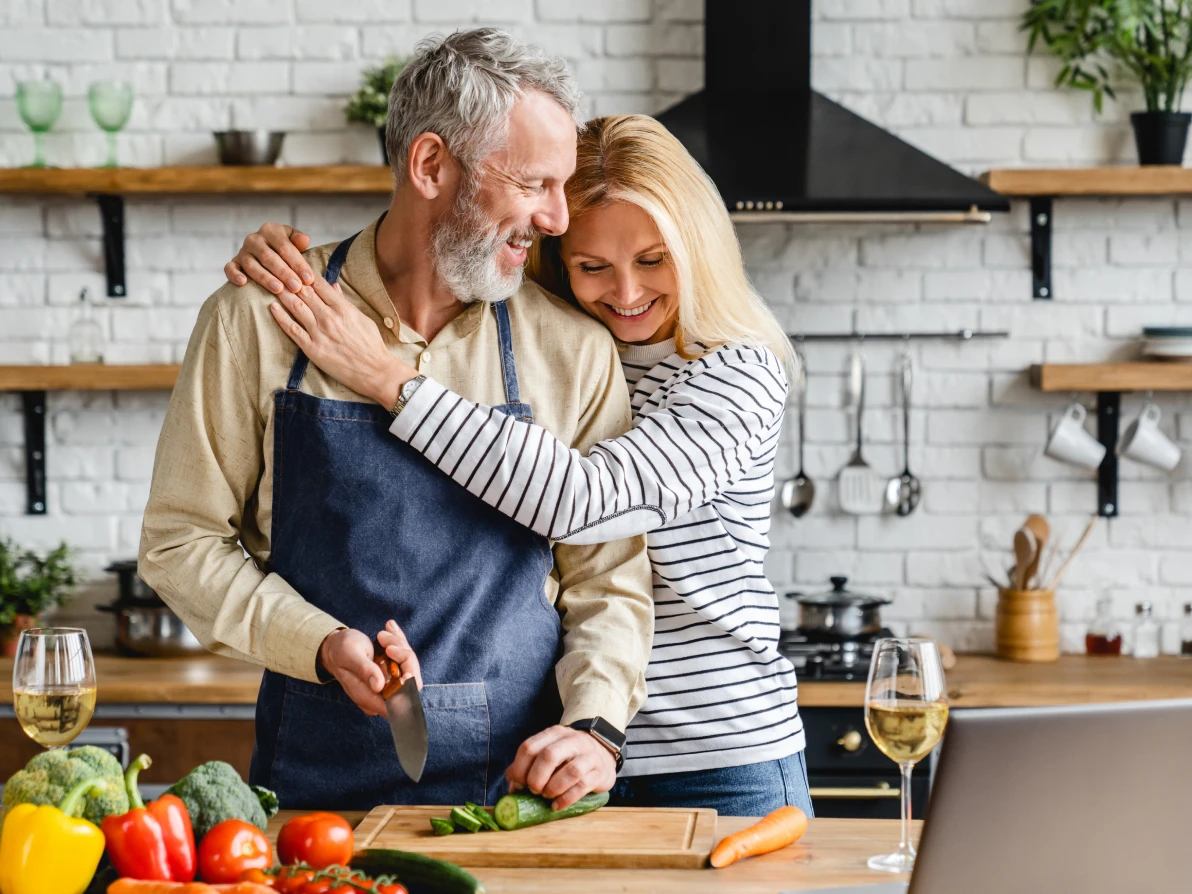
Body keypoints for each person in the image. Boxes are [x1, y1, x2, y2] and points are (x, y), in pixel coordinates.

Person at [223, 115, 812, 817]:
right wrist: (304, 261)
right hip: (563, 752)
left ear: (701, 247)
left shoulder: (734, 374)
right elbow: (436, 243)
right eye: (594, 266)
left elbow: (582, 503)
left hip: (714, 753)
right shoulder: (578, 343)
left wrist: (384, 377)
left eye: (654, 260)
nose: (626, 293)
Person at [139, 29, 656, 813]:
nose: (557, 219)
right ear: (429, 166)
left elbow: (607, 580)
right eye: (534, 184)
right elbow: (181, 542)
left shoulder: (573, 348)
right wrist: (316, 641)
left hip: (521, 800)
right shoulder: (257, 320)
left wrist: (594, 729)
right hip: (313, 790)